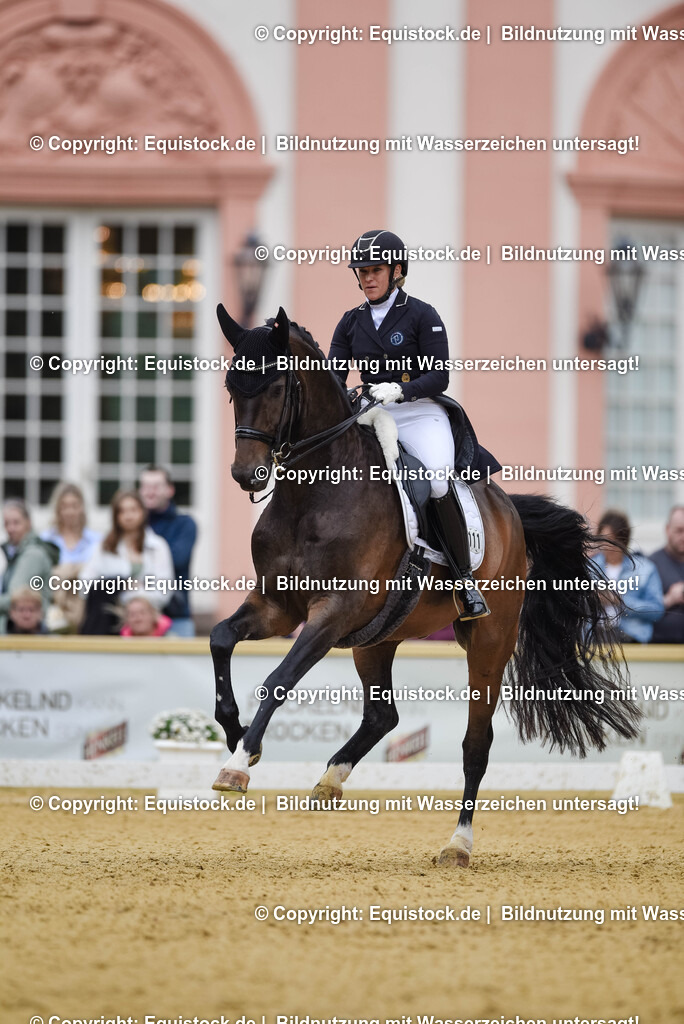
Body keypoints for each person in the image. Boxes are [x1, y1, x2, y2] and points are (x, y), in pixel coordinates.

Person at [328, 228, 489, 619]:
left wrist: (400, 390)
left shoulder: (422, 315)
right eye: (361, 270)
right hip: (372, 414)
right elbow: (334, 375)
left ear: (396, 270)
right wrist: (344, 396)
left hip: (419, 411)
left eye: (374, 269)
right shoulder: (350, 322)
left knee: (435, 479)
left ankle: (463, 578)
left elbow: (439, 376)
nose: (366, 277)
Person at [79, 490, 174, 634]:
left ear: (143, 512)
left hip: (148, 627)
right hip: (109, 626)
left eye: (133, 510)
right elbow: (84, 585)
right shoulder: (104, 546)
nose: (128, 516)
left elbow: (164, 590)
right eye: (122, 511)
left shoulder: (158, 546)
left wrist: (135, 597)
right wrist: (120, 584)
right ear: (116, 516)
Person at [138, 465, 197, 636]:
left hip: (175, 616)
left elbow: (177, 559)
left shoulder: (185, 524)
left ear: (170, 490)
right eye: (145, 487)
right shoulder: (132, 524)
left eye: (156, 486)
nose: (150, 492)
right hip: (135, 619)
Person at [591, 510, 664, 643]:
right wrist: (592, 598)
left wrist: (620, 601)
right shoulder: (589, 567)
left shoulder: (645, 569)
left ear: (623, 541)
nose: (607, 546)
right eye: (603, 540)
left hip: (631, 640)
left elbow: (656, 610)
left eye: (613, 541)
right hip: (594, 639)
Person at [0, 498, 59, 634]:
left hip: (27, 633)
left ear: (29, 523)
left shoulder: (32, 555)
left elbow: (15, 598)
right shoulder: (15, 553)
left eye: (16, 523)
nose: (10, 529)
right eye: (7, 523)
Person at [41, 482, 101, 565]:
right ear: (58, 509)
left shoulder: (96, 541)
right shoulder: (46, 540)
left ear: (82, 508)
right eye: (64, 506)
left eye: (74, 506)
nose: (70, 512)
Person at [650, 505, 684, 643]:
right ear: (667, 529)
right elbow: (638, 609)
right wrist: (669, 599)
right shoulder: (651, 565)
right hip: (660, 652)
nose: (683, 537)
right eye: (679, 531)